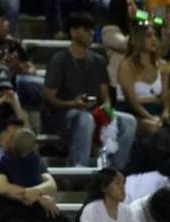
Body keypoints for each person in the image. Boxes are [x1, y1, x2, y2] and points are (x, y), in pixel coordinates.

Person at [43, 12, 137, 169]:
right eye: (86, 29)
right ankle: (79, 166)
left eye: (92, 29)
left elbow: (105, 96)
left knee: (128, 121)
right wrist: (72, 103)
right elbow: (49, 97)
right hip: (63, 115)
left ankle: (116, 169)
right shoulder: (59, 60)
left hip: (93, 111)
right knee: (85, 119)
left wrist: (106, 109)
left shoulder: (98, 61)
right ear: (73, 32)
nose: (91, 33)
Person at [117, 22, 170, 135]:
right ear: (138, 40)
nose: (154, 39)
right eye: (148, 36)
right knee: (153, 128)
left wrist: (166, 112)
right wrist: (150, 116)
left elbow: (165, 96)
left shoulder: (162, 65)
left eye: (155, 36)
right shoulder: (126, 65)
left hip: (155, 110)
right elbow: (130, 100)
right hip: (131, 111)